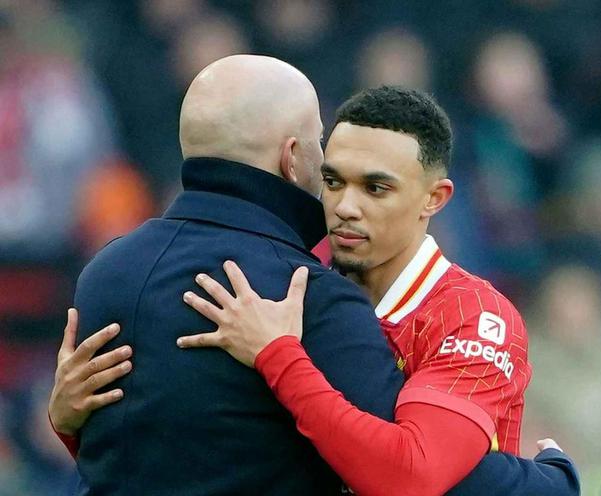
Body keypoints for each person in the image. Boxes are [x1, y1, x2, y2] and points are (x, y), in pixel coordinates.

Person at [49, 68, 579, 495]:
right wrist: (73, 425)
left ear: (433, 199)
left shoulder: (472, 317)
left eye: (375, 188)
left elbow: (415, 477)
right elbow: (199, 445)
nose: (345, 206)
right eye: (333, 180)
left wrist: (280, 357)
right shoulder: (295, 286)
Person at [49, 54, 403, 495]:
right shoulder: (308, 295)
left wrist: (64, 426)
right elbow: (396, 471)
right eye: (318, 139)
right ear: (292, 157)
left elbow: (128, 460)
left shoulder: (103, 274)